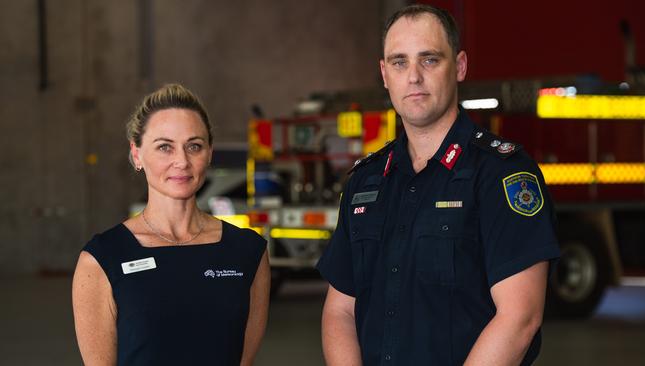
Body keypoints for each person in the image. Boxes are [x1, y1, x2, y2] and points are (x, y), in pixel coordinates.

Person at [317, 5, 560, 365]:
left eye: (429, 60)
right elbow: (340, 311)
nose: (413, 76)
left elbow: (520, 318)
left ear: (459, 66)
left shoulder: (501, 174)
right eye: (399, 62)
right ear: (384, 74)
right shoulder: (365, 181)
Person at [72, 84, 270, 365]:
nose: (182, 161)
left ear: (209, 153)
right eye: (165, 147)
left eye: (194, 146)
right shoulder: (102, 258)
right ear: (137, 154)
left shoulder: (248, 252)